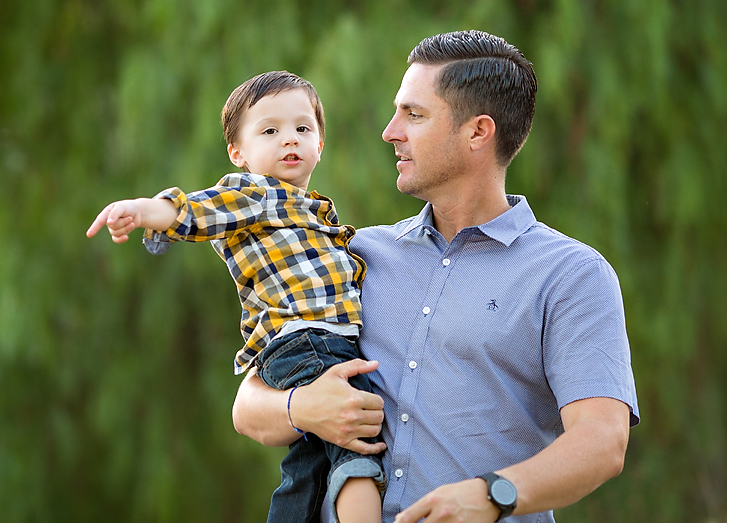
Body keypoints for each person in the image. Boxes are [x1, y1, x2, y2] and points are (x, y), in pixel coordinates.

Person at [231, 31, 640, 523]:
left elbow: (602, 441)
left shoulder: (572, 276)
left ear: (477, 132)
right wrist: (302, 407)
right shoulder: (353, 254)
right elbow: (248, 405)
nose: (390, 131)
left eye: (414, 115)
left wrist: (493, 495)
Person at [86, 71, 385, 523]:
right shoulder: (255, 194)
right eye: (270, 131)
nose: (290, 139)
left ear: (320, 144)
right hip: (308, 341)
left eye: (303, 128)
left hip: (310, 344)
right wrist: (145, 210)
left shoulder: (313, 211)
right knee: (358, 440)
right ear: (238, 153)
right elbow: (199, 211)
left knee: (307, 468)